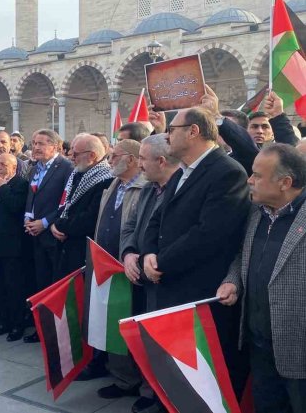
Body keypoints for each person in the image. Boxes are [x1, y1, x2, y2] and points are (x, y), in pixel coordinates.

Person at [141, 107, 250, 391]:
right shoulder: (182, 173)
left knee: (206, 380)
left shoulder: (227, 172)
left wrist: (161, 262)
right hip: (171, 286)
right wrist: (148, 254)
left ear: (193, 131)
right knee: (177, 376)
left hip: (200, 293)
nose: (166, 134)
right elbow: (156, 219)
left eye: (172, 129)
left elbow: (208, 235)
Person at [217, 144, 306, 413]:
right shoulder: (257, 212)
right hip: (259, 343)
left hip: (298, 346)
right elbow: (243, 254)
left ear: (285, 183)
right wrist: (233, 280)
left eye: (257, 175)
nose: (249, 180)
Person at [120, 134, 180, 413]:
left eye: (143, 159)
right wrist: (129, 253)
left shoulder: (179, 190)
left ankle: (165, 398)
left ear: (162, 160)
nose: (139, 165)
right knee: (145, 341)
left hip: (165, 282)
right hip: (139, 280)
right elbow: (130, 227)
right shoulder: (147, 189)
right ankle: (150, 391)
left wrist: (152, 261)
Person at [92, 140, 148, 400]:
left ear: (134, 160)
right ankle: (122, 378)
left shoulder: (146, 186)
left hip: (131, 269)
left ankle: (142, 384)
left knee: (132, 327)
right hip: (106, 267)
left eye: (116, 156)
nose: (110, 160)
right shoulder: (114, 183)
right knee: (111, 324)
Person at [22, 129, 73, 344]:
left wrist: (44, 223)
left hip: (52, 236)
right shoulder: (35, 168)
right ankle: (41, 328)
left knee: (54, 285)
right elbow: (31, 195)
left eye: (41, 143)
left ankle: (56, 333)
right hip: (35, 235)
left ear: (55, 146)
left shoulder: (66, 168)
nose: (36, 147)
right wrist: (28, 217)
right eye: (34, 143)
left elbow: (65, 202)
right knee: (40, 282)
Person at [52, 134, 114, 280]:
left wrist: (60, 225)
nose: (71, 157)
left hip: (83, 251)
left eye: (75, 154)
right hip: (66, 246)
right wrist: (54, 224)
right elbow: (66, 203)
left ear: (92, 155)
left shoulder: (106, 180)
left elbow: (89, 219)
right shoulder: (78, 173)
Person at [0, 153, 29, 341]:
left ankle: (17, 325)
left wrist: (3, 188)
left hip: (12, 248)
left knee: (13, 288)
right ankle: (4, 322)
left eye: (4, 164)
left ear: (14, 168)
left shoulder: (20, 184)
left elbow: (15, 206)